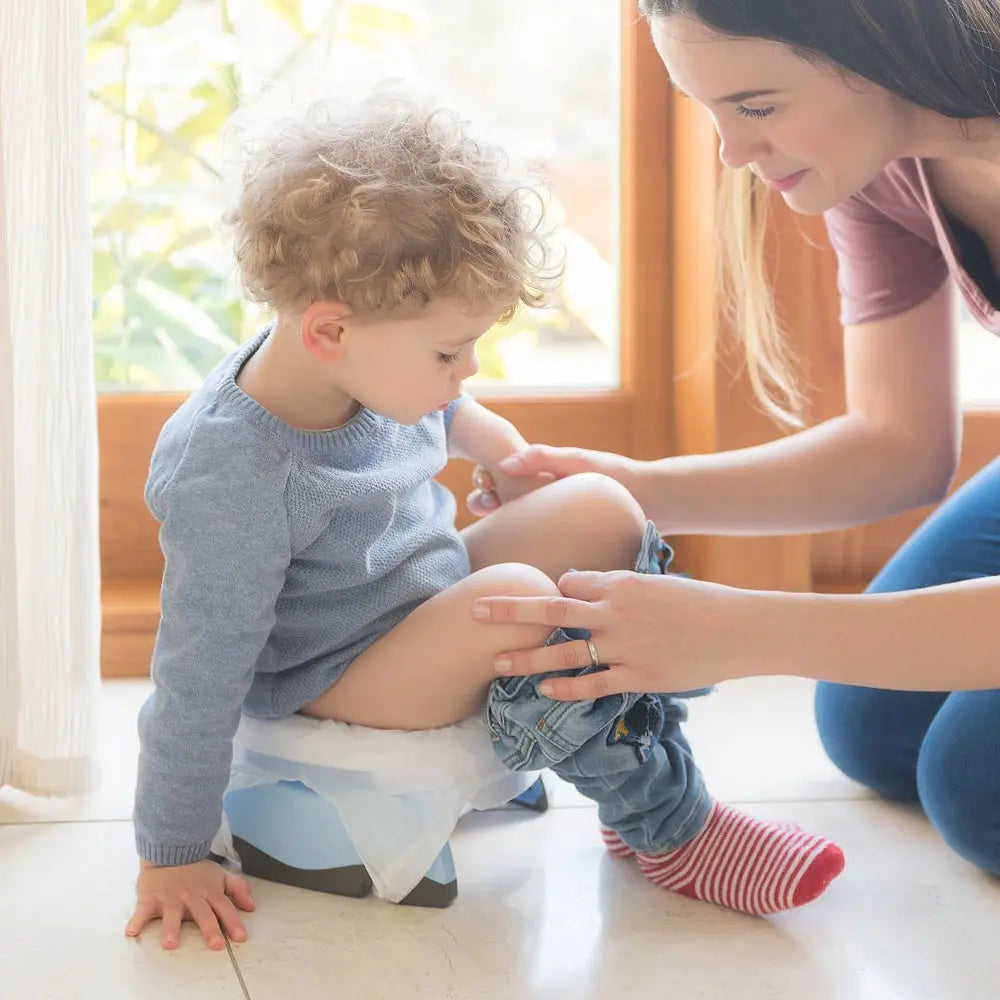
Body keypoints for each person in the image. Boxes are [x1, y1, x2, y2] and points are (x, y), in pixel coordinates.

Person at [124, 94, 844, 952]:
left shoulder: (353, 358)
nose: (465, 370)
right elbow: (196, 676)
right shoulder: (233, 474)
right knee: (518, 599)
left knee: (605, 508)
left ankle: (621, 740)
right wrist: (171, 852)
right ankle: (668, 825)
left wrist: (499, 451)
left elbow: (444, 408)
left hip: (413, 598)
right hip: (331, 673)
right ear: (329, 330)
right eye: (448, 352)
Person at [467, 0, 1000, 879]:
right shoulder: (884, 163)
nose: (732, 153)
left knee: (975, 784)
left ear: (886, 37)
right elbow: (897, 445)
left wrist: (747, 630)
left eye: (756, 107)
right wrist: (630, 489)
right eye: (711, 111)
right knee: (870, 723)